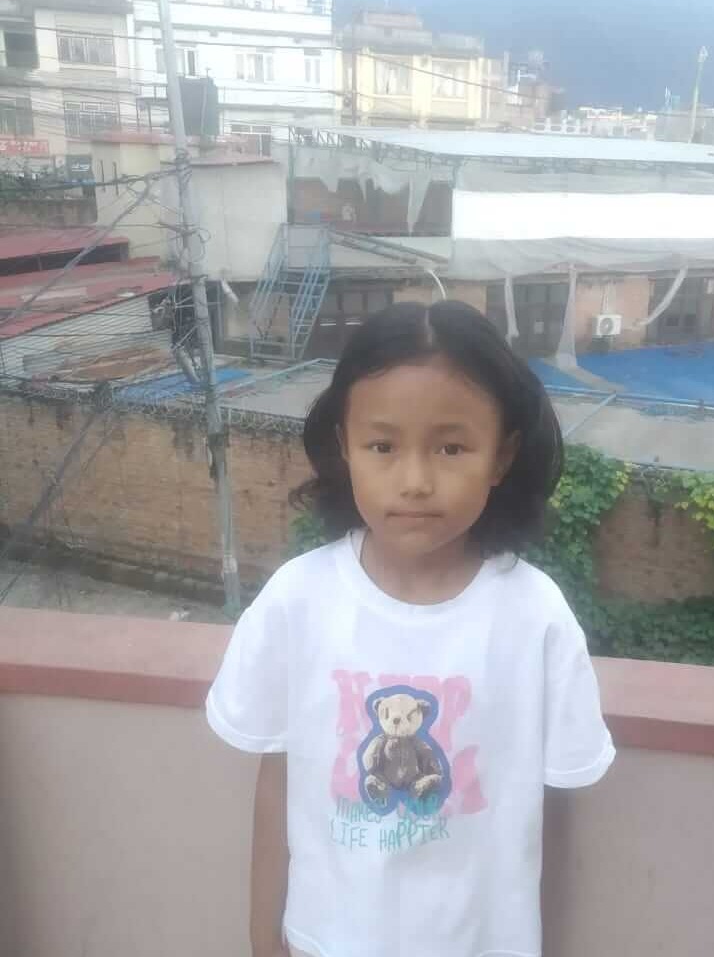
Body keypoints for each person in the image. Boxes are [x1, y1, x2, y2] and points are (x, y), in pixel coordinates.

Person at [205, 300, 615, 957]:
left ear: (502, 455)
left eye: (451, 447)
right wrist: (263, 938)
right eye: (383, 446)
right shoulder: (297, 602)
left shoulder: (536, 619)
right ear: (344, 446)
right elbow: (277, 784)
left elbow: (553, 814)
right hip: (324, 942)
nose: (416, 481)